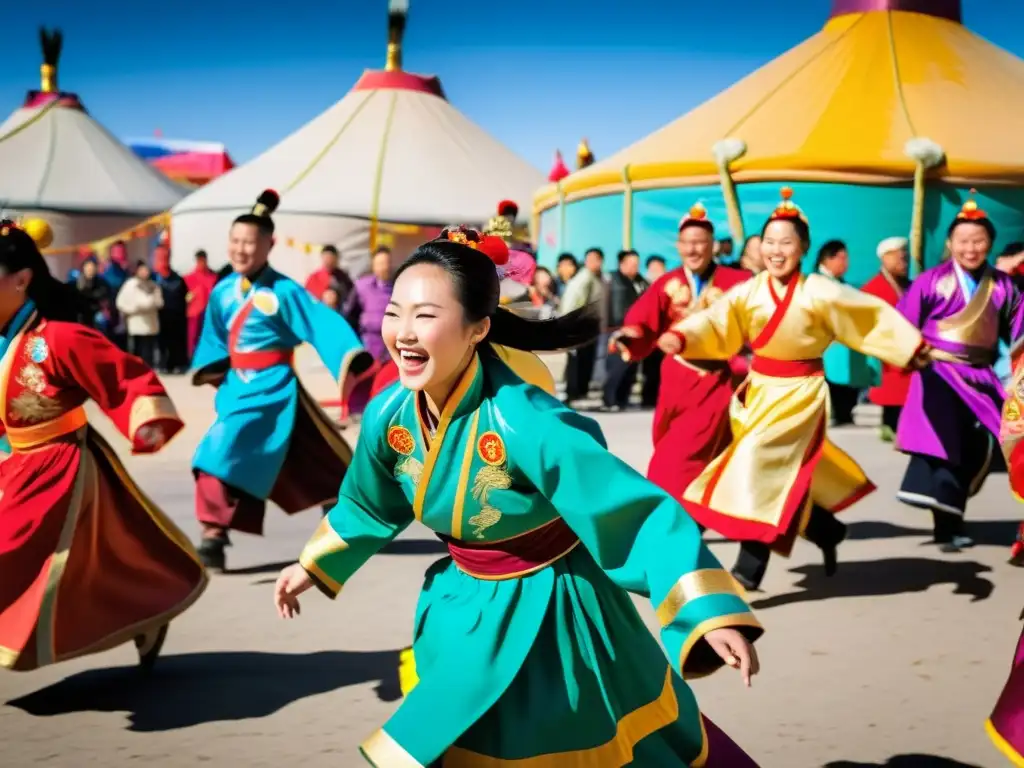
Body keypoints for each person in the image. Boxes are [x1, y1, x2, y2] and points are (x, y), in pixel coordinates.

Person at [273, 224, 763, 766]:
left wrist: (706, 609)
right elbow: (368, 502)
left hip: (553, 608)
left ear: (479, 328)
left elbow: (633, 512)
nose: (403, 333)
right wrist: (314, 564)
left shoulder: (525, 419)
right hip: (462, 604)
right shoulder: (389, 415)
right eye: (395, 312)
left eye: (426, 315)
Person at [666, 188, 928, 590]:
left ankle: (747, 572)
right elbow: (718, 322)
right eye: (769, 241)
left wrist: (908, 345)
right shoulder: (750, 291)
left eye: (786, 242)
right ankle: (827, 532)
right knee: (775, 475)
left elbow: (866, 316)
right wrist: (684, 337)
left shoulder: (820, 291)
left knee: (756, 467)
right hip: (760, 392)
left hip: (802, 394)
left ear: (803, 247)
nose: (775, 249)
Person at [0, 218, 205, 671]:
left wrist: (144, 419)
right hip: (11, 466)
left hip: (57, 467)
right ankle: (145, 614)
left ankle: (147, 611)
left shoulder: (55, 340)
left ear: (21, 279)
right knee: (94, 573)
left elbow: (123, 374)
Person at [190, 190, 375, 572]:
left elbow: (319, 321)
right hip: (238, 388)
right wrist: (215, 370)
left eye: (249, 242)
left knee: (216, 452)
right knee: (311, 453)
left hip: (274, 387)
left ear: (269, 245)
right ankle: (219, 530)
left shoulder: (285, 290)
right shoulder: (222, 291)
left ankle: (212, 535)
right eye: (235, 241)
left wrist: (349, 355)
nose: (241, 250)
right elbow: (213, 338)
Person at [896, 192, 1024, 552]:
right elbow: (902, 325)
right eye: (964, 241)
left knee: (978, 448)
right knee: (943, 445)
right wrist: (912, 354)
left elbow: (1020, 331)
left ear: (990, 244)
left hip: (982, 377)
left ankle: (947, 515)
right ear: (950, 243)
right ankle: (948, 525)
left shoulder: (1004, 286)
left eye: (979, 241)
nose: (971, 248)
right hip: (937, 374)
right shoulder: (929, 282)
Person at [611, 203, 751, 500]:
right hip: (676, 379)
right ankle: (695, 512)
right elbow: (643, 321)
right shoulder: (667, 283)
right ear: (678, 246)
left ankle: (671, 516)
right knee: (670, 444)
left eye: (700, 242)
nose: (693, 249)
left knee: (675, 460)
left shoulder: (737, 283)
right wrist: (629, 336)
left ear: (713, 245)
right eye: (687, 243)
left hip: (716, 379)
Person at [816, 239, 874, 426]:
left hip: (845, 344)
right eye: (842, 258)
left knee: (847, 378)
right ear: (828, 259)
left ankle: (844, 411)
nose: (846, 263)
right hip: (824, 344)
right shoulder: (814, 284)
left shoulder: (843, 285)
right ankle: (833, 412)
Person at [862, 236, 913, 442]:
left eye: (906, 259)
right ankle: (889, 424)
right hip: (886, 348)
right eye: (899, 259)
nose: (904, 263)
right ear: (886, 258)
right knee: (890, 388)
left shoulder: (910, 286)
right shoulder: (872, 288)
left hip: (909, 346)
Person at [603, 249, 648, 410]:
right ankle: (610, 399)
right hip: (619, 329)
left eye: (637, 264)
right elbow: (618, 308)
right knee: (616, 367)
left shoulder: (638, 281)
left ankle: (622, 399)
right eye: (631, 264)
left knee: (630, 367)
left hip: (634, 330)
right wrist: (620, 328)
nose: (635, 267)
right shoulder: (616, 281)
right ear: (622, 264)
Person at [559, 247, 605, 406]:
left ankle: (580, 391)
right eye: (590, 259)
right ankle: (574, 392)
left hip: (587, 326)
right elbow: (574, 303)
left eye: (596, 260)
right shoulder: (584, 278)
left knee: (585, 359)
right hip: (579, 326)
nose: (593, 263)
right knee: (577, 360)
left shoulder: (594, 277)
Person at [115, 260, 164, 368]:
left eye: (146, 270)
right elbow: (121, 302)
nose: (145, 272)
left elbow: (160, 302)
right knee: (137, 351)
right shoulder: (130, 285)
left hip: (150, 324)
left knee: (149, 352)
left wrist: (152, 304)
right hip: (136, 324)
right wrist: (134, 309)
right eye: (142, 270)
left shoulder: (153, 285)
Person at [152, 244, 189, 373]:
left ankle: (176, 364)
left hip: (176, 317)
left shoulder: (178, 279)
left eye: (165, 256)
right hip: (157, 317)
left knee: (176, 341)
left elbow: (184, 296)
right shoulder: (152, 278)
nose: (163, 259)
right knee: (160, 342)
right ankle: (162, 364)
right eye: (160, 256)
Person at [184, 249, 217, 360]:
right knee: (193, 335)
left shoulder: (213, 277)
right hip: (194, 311)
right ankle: (192, 357)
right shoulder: (189, 278)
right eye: (200, 260)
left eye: (203, 260)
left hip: (209, 311)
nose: (202, 263)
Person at [74, 256, 114, 335]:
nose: (90, 269)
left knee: (100, 320)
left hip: (96, 313)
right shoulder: (77, 283)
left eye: (92, 267)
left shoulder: (102, 283)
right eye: (88, 267)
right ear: (83, 268)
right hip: (81, 314)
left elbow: (104, 296)